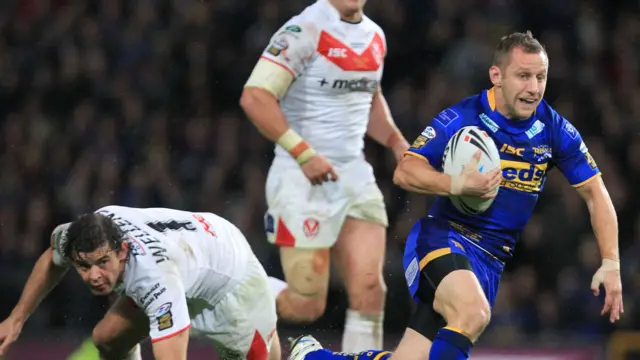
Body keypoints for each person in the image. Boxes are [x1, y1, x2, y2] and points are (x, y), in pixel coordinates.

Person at [285, 31, 623, 360]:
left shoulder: (553, 129)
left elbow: (596, 193)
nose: (534, 88)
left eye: (540, 77)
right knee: (473, 312)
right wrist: (455, 184)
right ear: (497, 76)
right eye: (523, 76)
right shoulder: (462, 118)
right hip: (442, 240)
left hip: (489, 263)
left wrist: (610, 261)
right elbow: (405, 170)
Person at [240, 0, 409, 353]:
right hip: (301, 178)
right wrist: (303, 153)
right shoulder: (304, 30)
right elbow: (255, 97)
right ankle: (227, 298)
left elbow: (369, 95)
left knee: (370, 291)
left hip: (354, 176)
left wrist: (395, 141)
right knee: (307, 304)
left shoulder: (374, 36)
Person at [0, 206, 281, 360]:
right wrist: (16, 318)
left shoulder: (155, 281)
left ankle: (309, 354)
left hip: (231, 281)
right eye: (83, 267)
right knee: (107, 340)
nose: (94, 276)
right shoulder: (83, 235)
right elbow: (52, 257)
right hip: (192, 254)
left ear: (122, 250)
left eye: (102, 263)